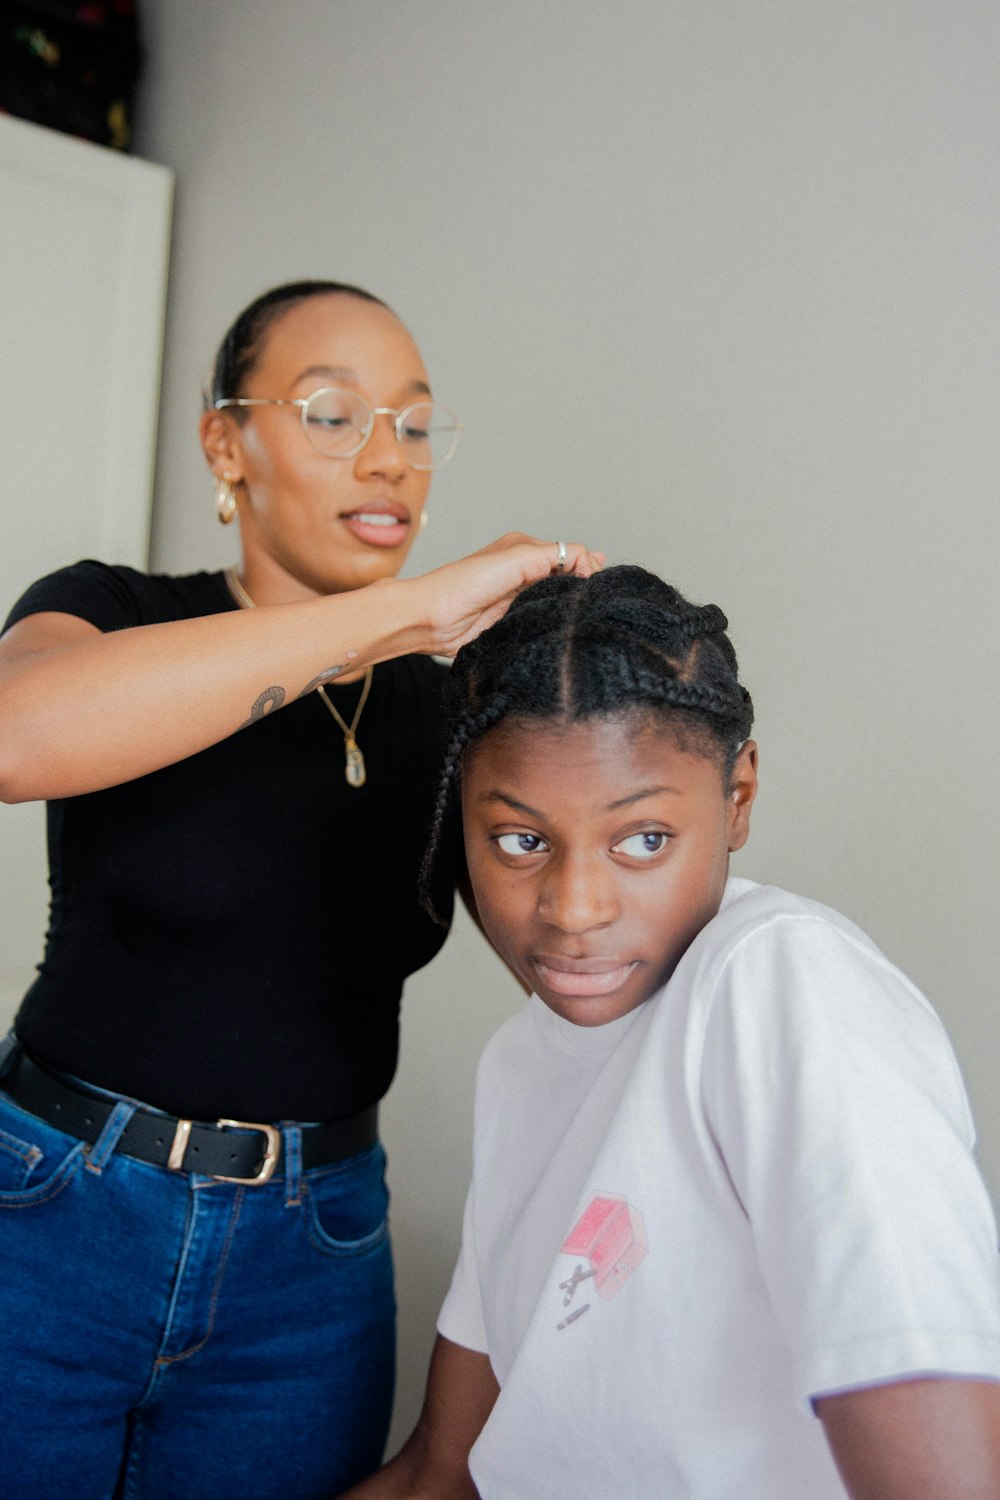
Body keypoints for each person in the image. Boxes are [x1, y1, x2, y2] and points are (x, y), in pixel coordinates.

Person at [0, 279, 601, 1500]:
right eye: (333, 414)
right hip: (53, 1218)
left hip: (311, 1266)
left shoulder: (451, 708)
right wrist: (402, 614)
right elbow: (16, 734)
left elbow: (574, 948)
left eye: (415, 424)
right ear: (228, 442)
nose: (387, 461)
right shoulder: (113, 610)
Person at [343, 564, 1000, 1500]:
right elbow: (442, 1472)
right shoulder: (522, 1063)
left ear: (737, 799)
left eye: (642, 838)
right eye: (520, 840)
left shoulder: (783, 986)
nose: (574, 909)